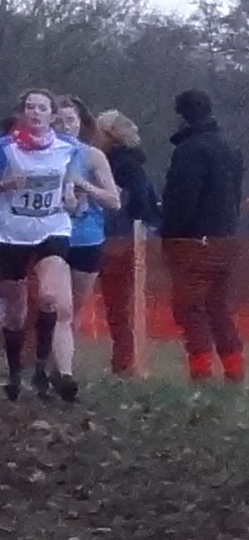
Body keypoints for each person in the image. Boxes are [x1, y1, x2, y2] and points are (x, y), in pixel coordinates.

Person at [0, 90, 93, 401]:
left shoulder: (68, 148)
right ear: (22, 113)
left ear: (52, 116)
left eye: (42, 108)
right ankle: (15, 373)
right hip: (12, 233)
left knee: (50, 297)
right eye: (30, 107)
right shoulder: (6, 148)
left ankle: (44, 368)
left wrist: (72, 196)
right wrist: (6, 184)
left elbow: (72, 183)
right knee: (15, 313)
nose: (35, 112)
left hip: (53, 228)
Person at [156, 89, 249, 384]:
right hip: (226, 238)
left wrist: (169, 231)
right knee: (218, 308)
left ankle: (201, 372)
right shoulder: (230, 146)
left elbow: (182, 199)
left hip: (193, 241)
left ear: (182, 116)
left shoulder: (190, 150)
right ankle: (234, 370)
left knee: (190, 309)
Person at [84, 108, 153, 379]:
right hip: (120, 238)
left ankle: (125, 361)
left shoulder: (122, 165)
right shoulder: (131, 162)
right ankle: (123, 360)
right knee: (119, 304)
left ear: (109, 135)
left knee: (119, 304)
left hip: (119, 240)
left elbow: (136, 202)